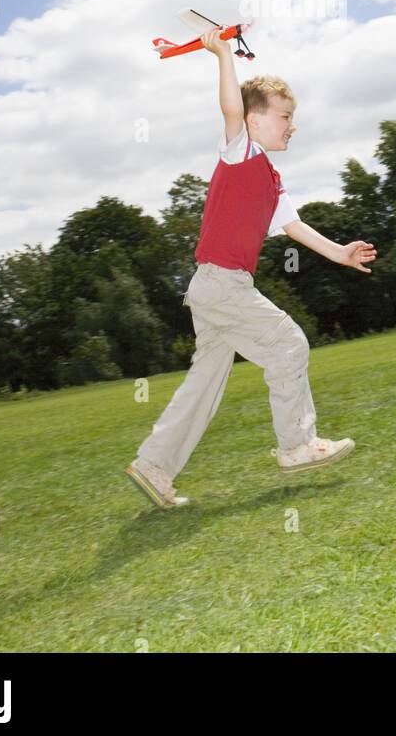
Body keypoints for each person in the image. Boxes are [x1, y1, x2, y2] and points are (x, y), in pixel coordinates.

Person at [125, 26, 377, 508]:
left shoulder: (270, 179)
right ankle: (297, 446)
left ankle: (154, 466)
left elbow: (294, 226)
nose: (291, 125)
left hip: (214, 288)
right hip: (222, 285)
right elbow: (230, 109)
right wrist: (221, 53)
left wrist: (341, 252)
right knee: (288, 344)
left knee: (205, 383)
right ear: (256, 120)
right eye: (285, 116)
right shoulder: (242, 155)